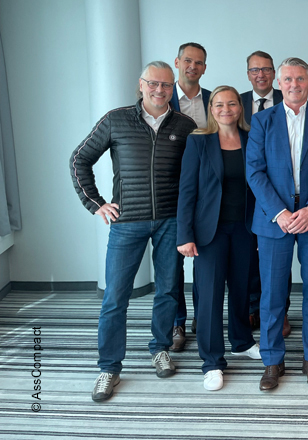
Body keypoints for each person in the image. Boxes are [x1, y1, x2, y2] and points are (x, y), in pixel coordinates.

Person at [70, 61, 197, 402]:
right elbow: (79, 159)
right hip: (128, 222)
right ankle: (109, 367)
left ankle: (160, 348)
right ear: (141, 85)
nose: (160, 91)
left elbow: (197, 174)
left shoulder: (185, 125)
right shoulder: (116, 119)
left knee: (168, 290)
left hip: (171, 221)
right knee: (115, 298)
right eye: (153, 84)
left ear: (173, 88)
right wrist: (95, 203)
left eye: (166, 86)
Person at [246, 57, 308, 391]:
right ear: (279, 83)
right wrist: (280, 212)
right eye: (288, 79)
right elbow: (254, 171)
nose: (294, 84)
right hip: (276, 220)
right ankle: (272, 361)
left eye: (300, 79)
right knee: (272, 294)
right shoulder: (262, 121)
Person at [176, 86, 262, 391]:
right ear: (211, 109)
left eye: (232, 104)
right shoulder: (199, 141)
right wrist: (184, 234)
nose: (226, 109)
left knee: (242, 288)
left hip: (245, 227)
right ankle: (212, 361)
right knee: (209, 295)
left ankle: (241, 341)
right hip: (208, 232)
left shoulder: (253, 138)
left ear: (240, 107)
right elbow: (187, 191)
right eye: (219, 104)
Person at [240, 50, 293, 337]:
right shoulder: (237, 102)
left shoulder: (288, 100)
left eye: (266, 69)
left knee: (278, 255)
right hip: (245, 191)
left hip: (280, 196)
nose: (260, 74)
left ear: (274, 74)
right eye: (254, 70)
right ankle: (252, 308)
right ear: (248, 73)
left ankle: (280, 312)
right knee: (249, 255)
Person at [169, 42, 211, 352]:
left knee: (204, 258)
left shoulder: (213, 101)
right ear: (177, 62)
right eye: (187, 61)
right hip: (171, 188)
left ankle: (201, 317)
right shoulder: (162, 98)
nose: (192, 66)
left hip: (206, 192)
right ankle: (177, 322)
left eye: (198, 62)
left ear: (204, 67)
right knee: (173, 262)